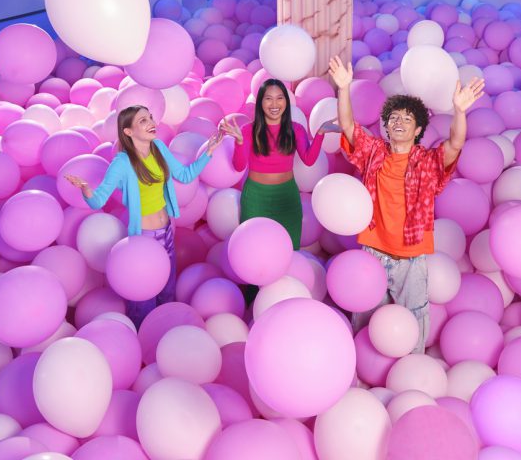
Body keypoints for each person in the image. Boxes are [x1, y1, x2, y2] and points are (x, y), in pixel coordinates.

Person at [328, 55, 485, 353]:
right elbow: (347, 126)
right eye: (394, 118)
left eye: (407, 119)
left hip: (410, 258)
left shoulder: (427, 162)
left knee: (411, 323)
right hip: (373, 251)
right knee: (366, 319)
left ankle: (413, 368)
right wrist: (344, 88)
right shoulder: (374, 152)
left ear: (418, 130)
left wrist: (459, 111)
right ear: (387, 126)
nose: (399, 122)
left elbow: (455, 144)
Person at [65, 104, 223, 327]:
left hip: (167, 232)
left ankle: (166, 333)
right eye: (143, 121)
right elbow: (98, 200)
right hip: (144, 238)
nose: (151, 123)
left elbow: (185, 175)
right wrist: (85, 189)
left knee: (167, 291)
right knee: (143, 299)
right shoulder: (122, 162)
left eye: (150, 118)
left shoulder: (158, 147)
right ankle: (141, 337)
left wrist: (209, 151)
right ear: (128, 131)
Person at [219, 78, 326, 250]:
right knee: (252, 249)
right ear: (260, 103)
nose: (274, 104)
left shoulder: (295, 129)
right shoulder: (248, 130)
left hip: (287, 197)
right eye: (268, 98)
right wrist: (239, 142)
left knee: (289, 248)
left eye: (279, 98)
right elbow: (239, 166)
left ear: (286, 102)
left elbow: (308, 159)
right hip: (255, 196)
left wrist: (320, 134)